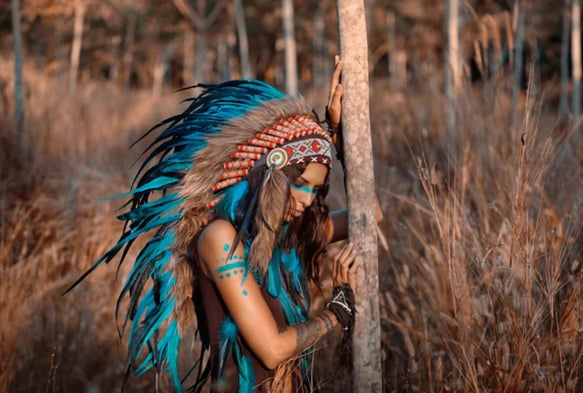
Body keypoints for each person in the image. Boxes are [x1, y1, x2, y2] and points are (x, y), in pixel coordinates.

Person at [66, 58, 379, 392]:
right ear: (269, 174)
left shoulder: (283, 237)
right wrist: (338, 308)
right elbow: (272, 351)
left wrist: (338, 135)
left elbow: (370, 215)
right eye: (299, 182)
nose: (305, 199)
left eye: (315, 189)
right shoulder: (219, 238)